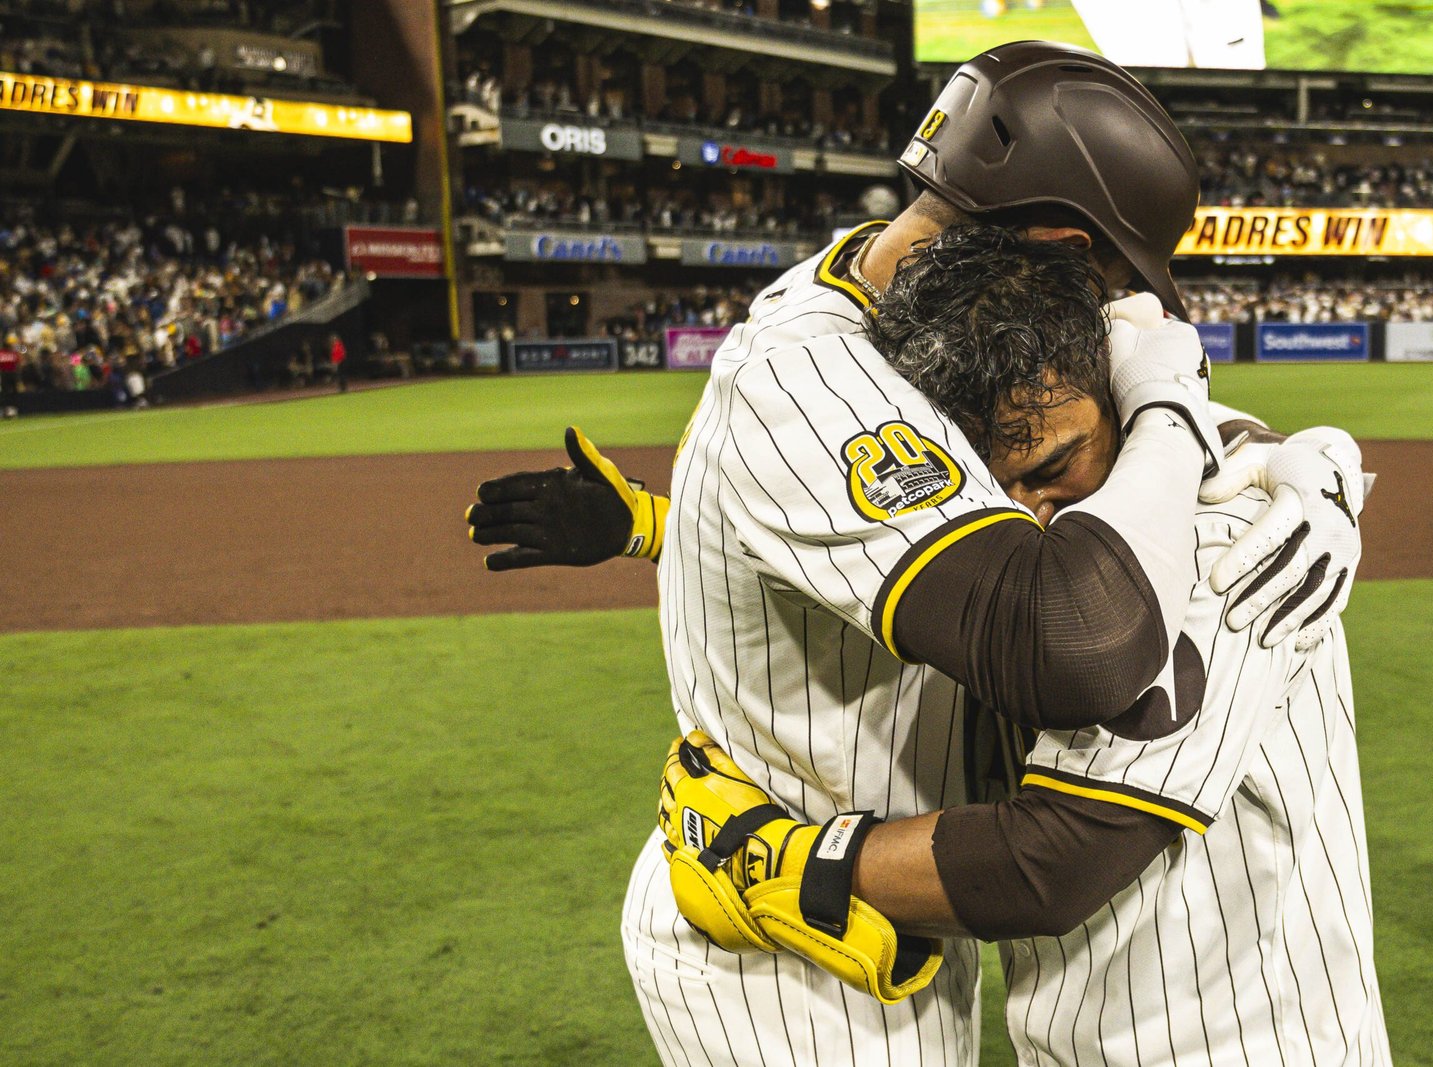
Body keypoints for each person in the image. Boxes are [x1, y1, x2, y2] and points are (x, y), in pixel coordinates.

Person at [467, 43, 1366, 1066]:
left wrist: (1315, 464)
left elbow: (974, 490)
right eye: (1113, 287)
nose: (1127, 320)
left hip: (899, 907)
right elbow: (1069, 644)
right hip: (780, 943)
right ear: (1061, 246)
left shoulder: (926, 327)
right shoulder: (813, 371)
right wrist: (1171, 402)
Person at [657, 226, 1388, 1066]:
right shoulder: (1055, 567)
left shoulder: (1237, 543)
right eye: (997, 486)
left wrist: (791, 863)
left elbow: (1053, 858)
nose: (1030, 513)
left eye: (1055, 465)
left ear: (1127, 399)